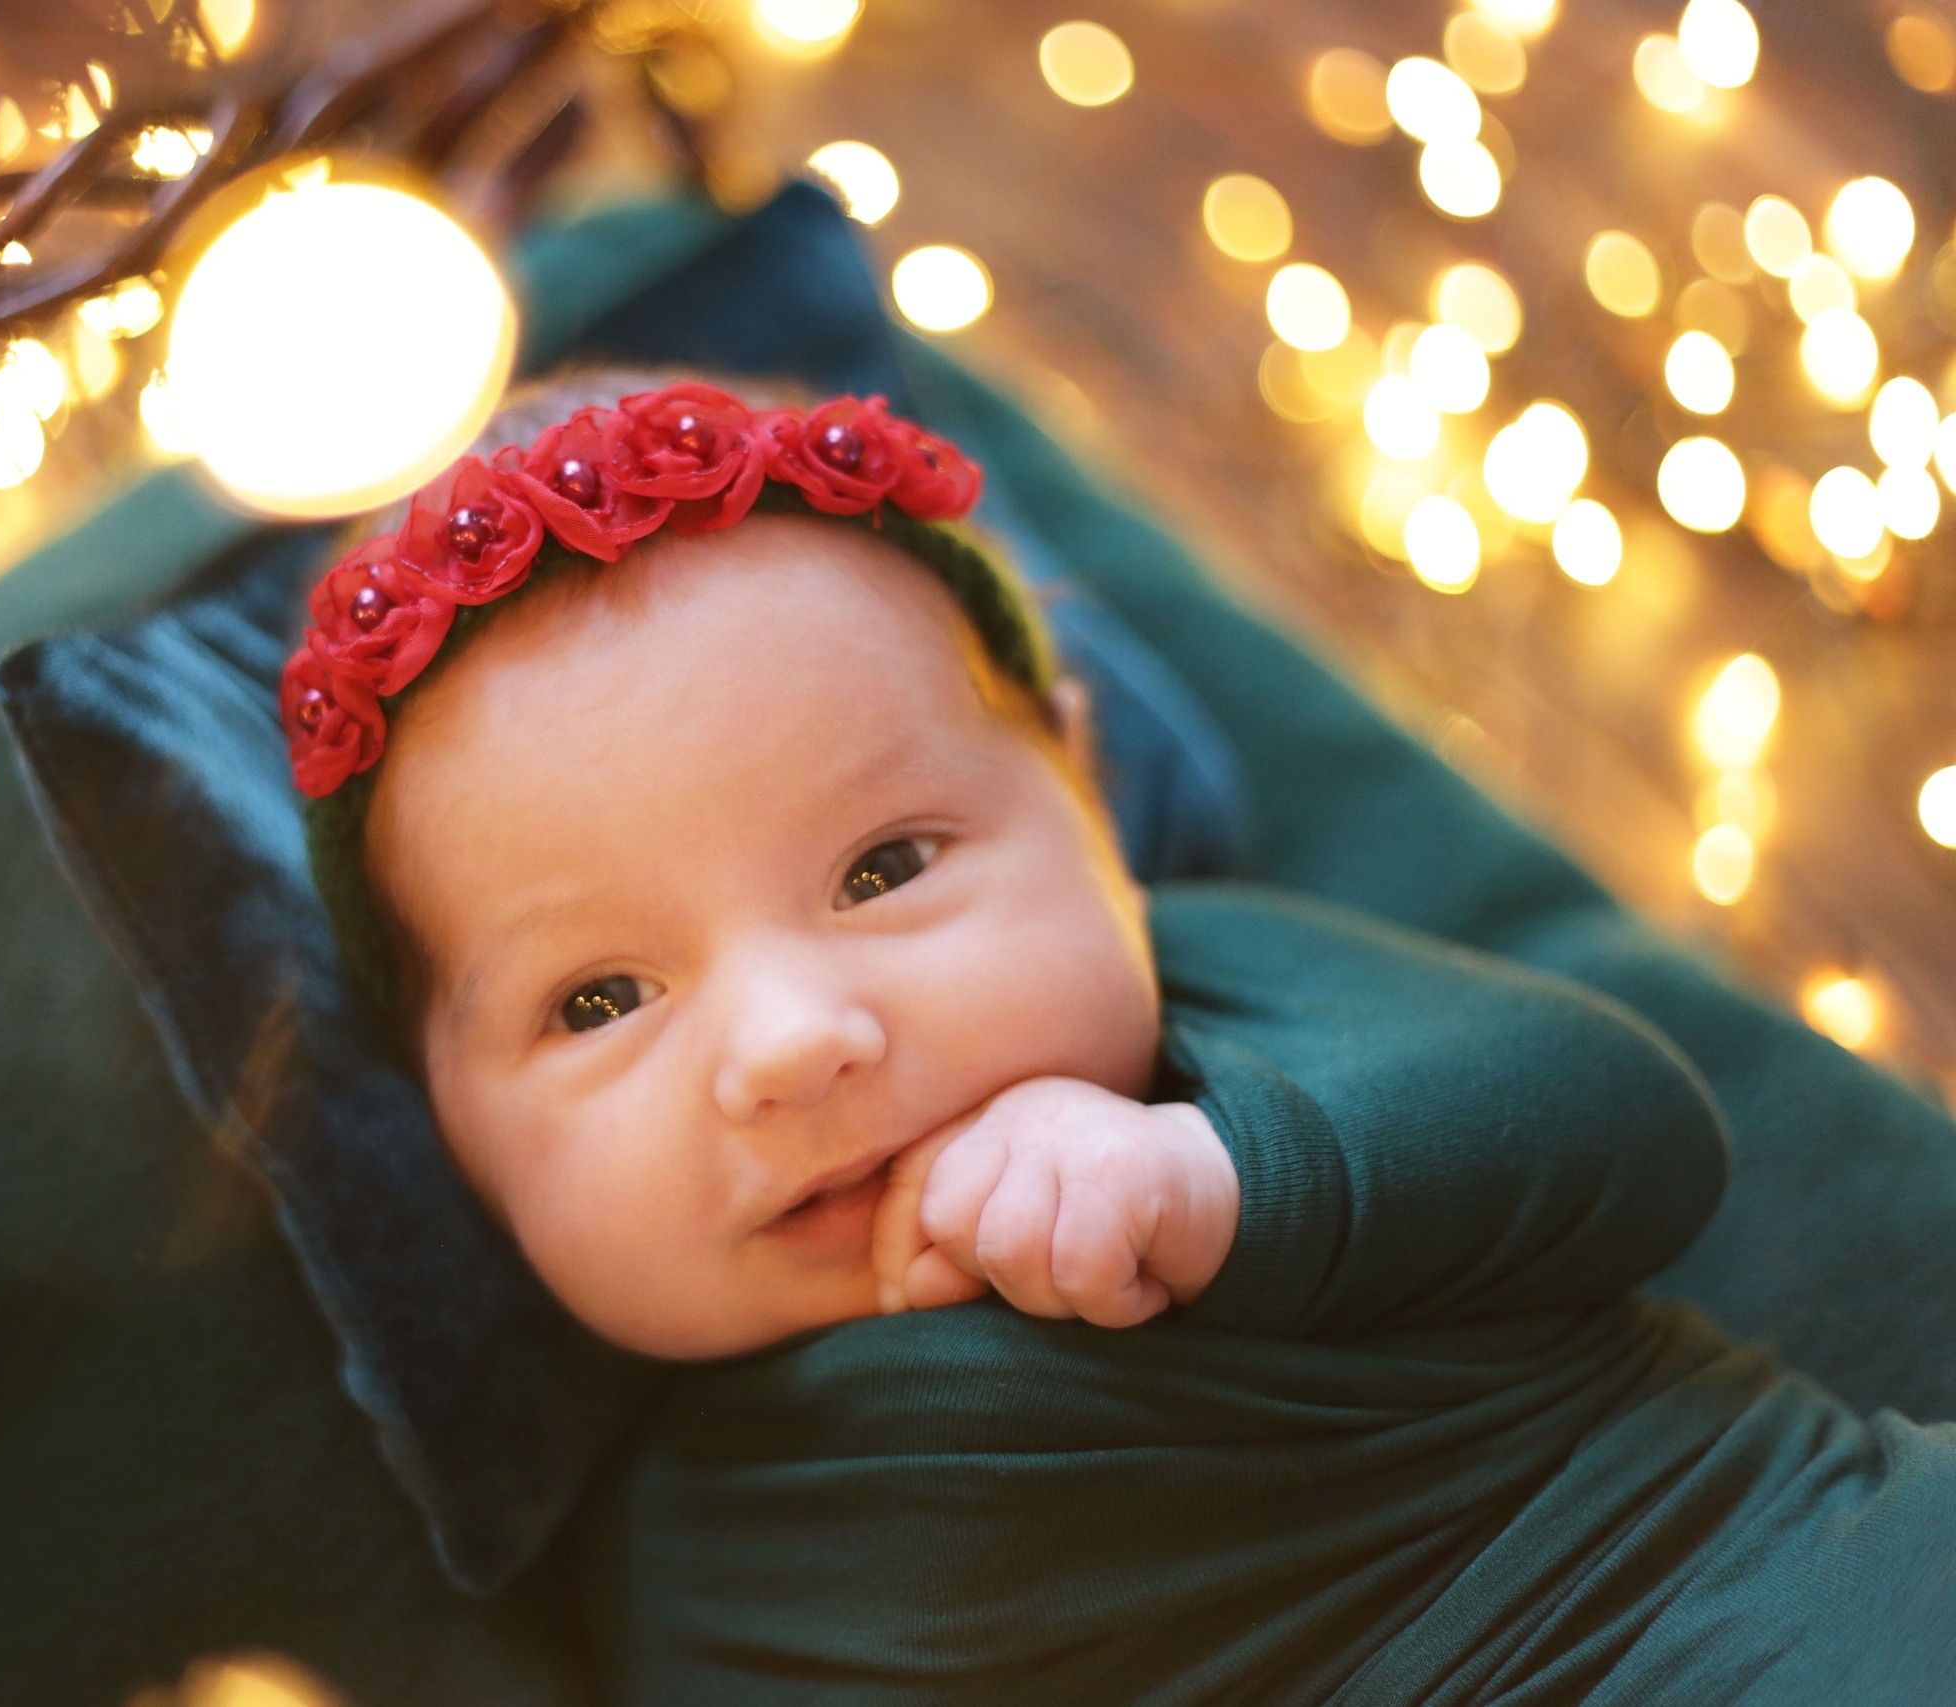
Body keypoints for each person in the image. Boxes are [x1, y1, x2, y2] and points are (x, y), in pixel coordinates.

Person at [282, 374, 1956, 1703]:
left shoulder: (1232, 1017)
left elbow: (1638, 1134)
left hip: (1767, 1586)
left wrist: (1217, 1177)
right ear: (447, 1127)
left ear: (1082, 792)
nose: (793, 1040)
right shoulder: (669, 1569)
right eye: (599, 1001)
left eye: (882, 869)